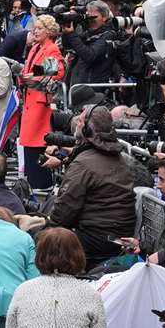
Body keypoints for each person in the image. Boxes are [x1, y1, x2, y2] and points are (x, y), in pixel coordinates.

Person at [45, 105, 134, 261]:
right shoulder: (120, 158)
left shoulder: (83, 164)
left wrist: (45, 232)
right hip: (117, 238)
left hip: (97, 241)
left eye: (80, 121)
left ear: (87, 130)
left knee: (41, 238)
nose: (77, 124)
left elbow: (64, 213)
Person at [18, 16, 65, 190]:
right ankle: (33, 183)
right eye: (35, 28)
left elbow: (57, 72)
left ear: (49, 31)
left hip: (40, 104)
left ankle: (39, 186)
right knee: (30, 145)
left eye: (39, 28)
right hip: (31, 100)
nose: (35, 31)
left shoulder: (51, 49)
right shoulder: (36, 47)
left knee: (37, 145)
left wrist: (32, 76)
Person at [63, 0, 117, 90]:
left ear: (104, 17)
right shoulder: (89, 33)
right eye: (88, 15)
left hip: (92, 89)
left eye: (93, 15)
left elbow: (90, 56)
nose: (89, 18)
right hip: (78, 87)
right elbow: (67, 45)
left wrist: (72, 34)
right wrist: (69, 27)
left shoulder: (109, 34)